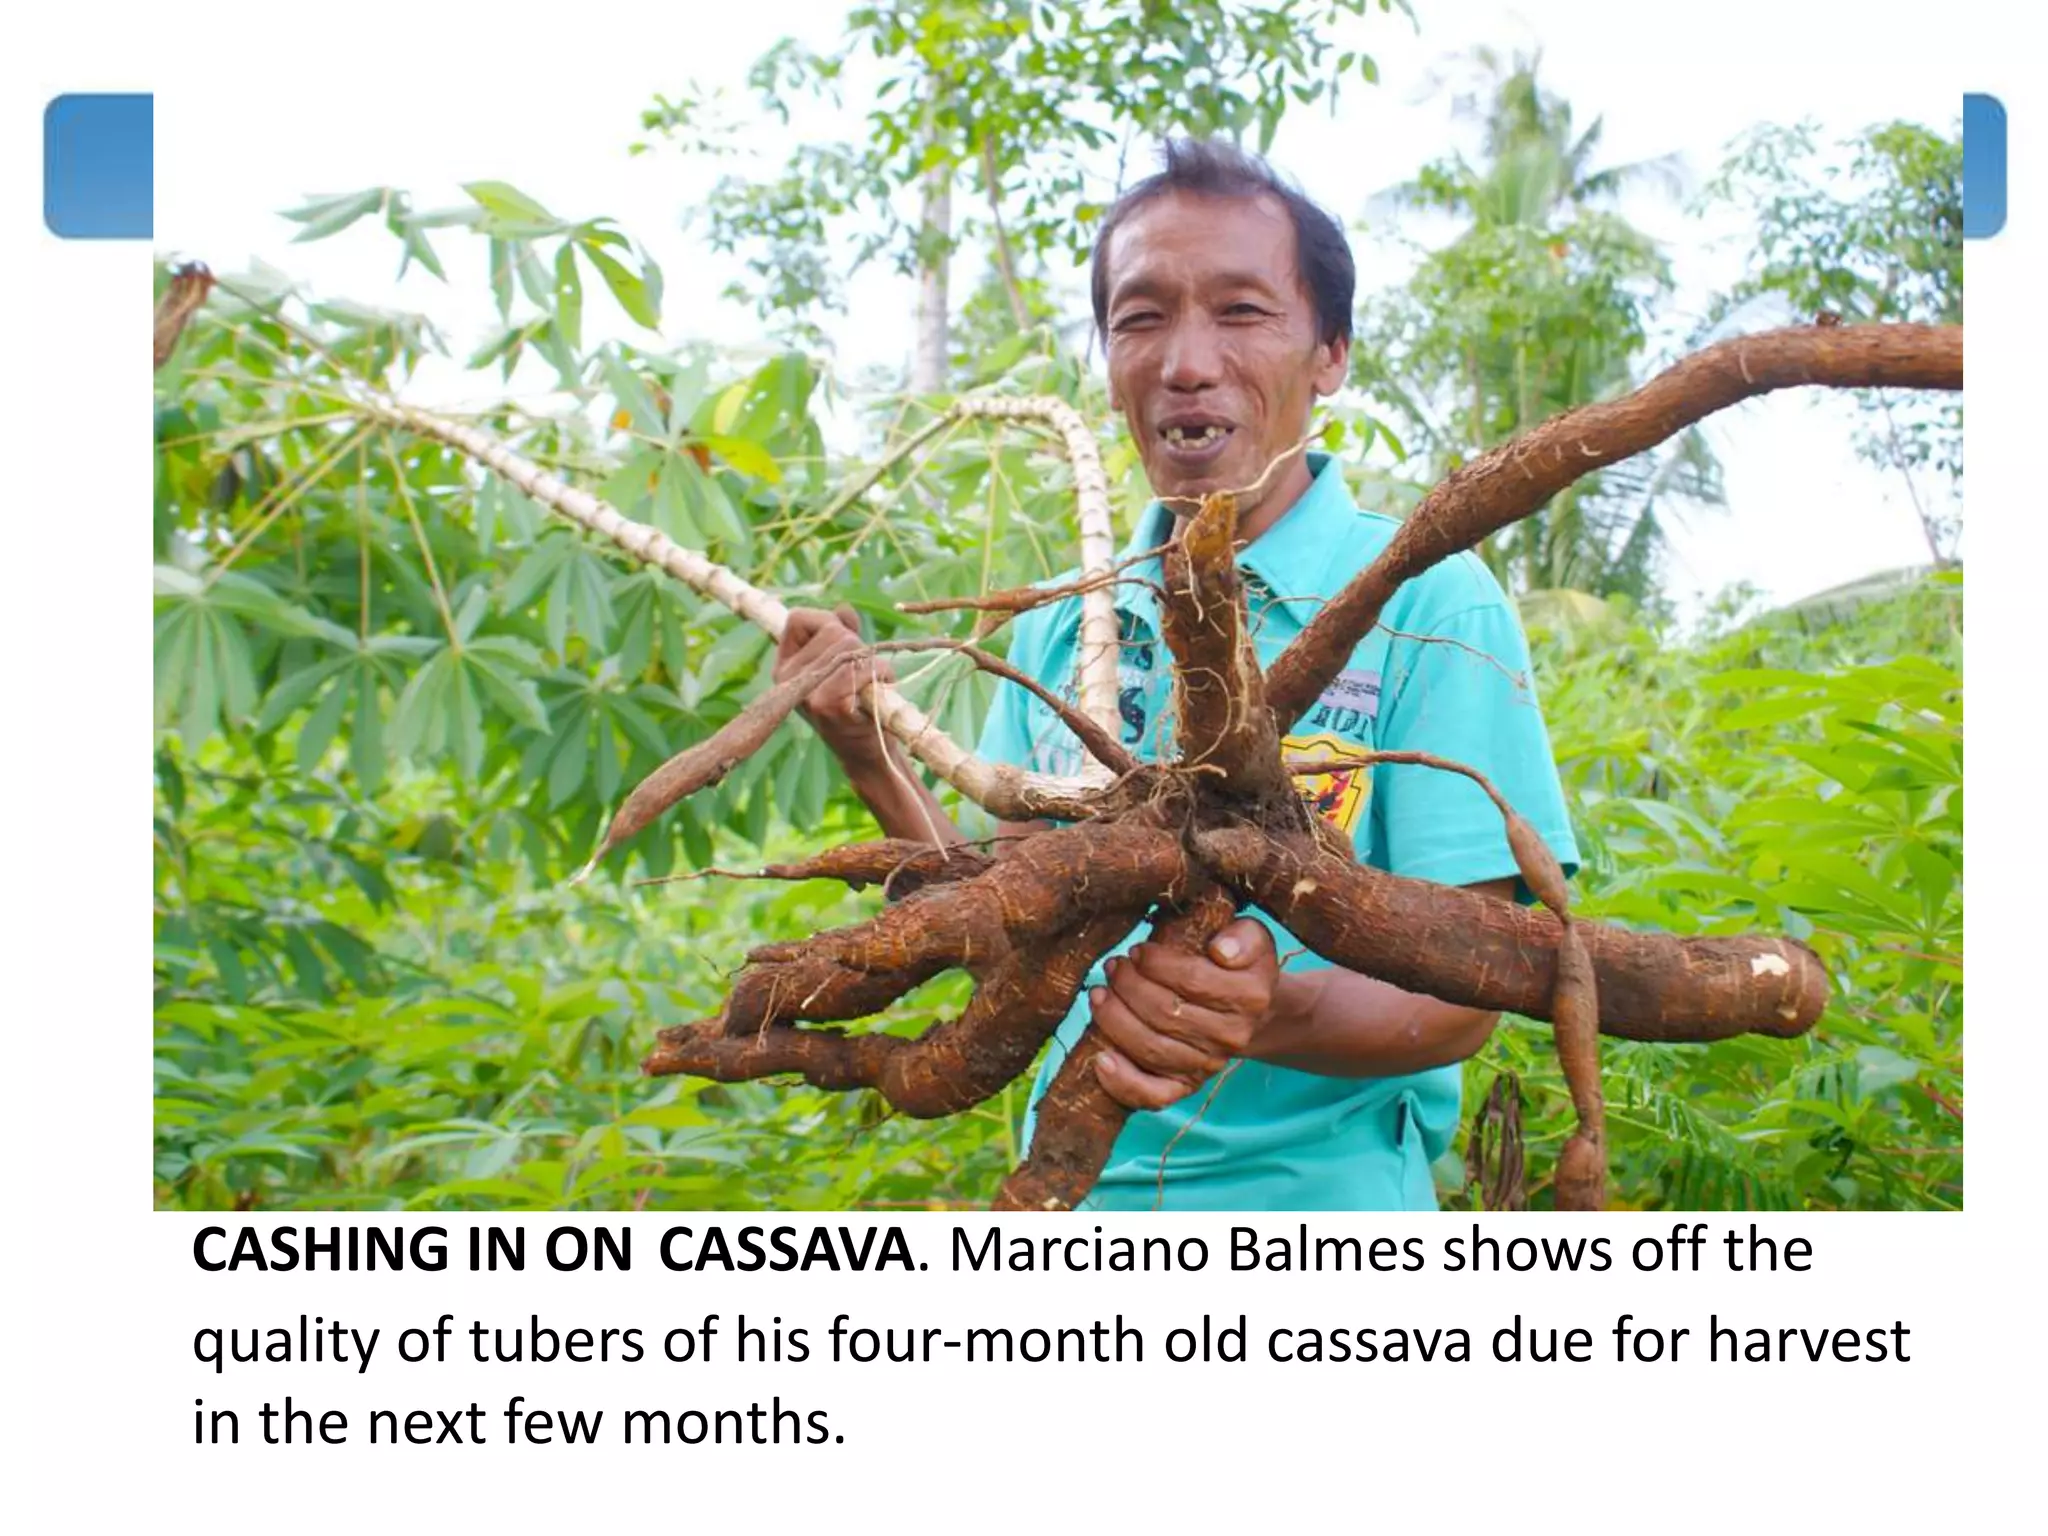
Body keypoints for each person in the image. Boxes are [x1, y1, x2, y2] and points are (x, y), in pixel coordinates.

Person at [774, 138, 1579, 1211]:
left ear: (1328, 354)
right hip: (1069, 1200)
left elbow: (1470, 988)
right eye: (1140, 318)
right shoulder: (1064, 625)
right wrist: (867, 750)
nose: (1184, 362)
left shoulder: (1428, 605)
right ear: (1108, 364)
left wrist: (1265, 1010)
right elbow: (1011, 934)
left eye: (1241, 312)